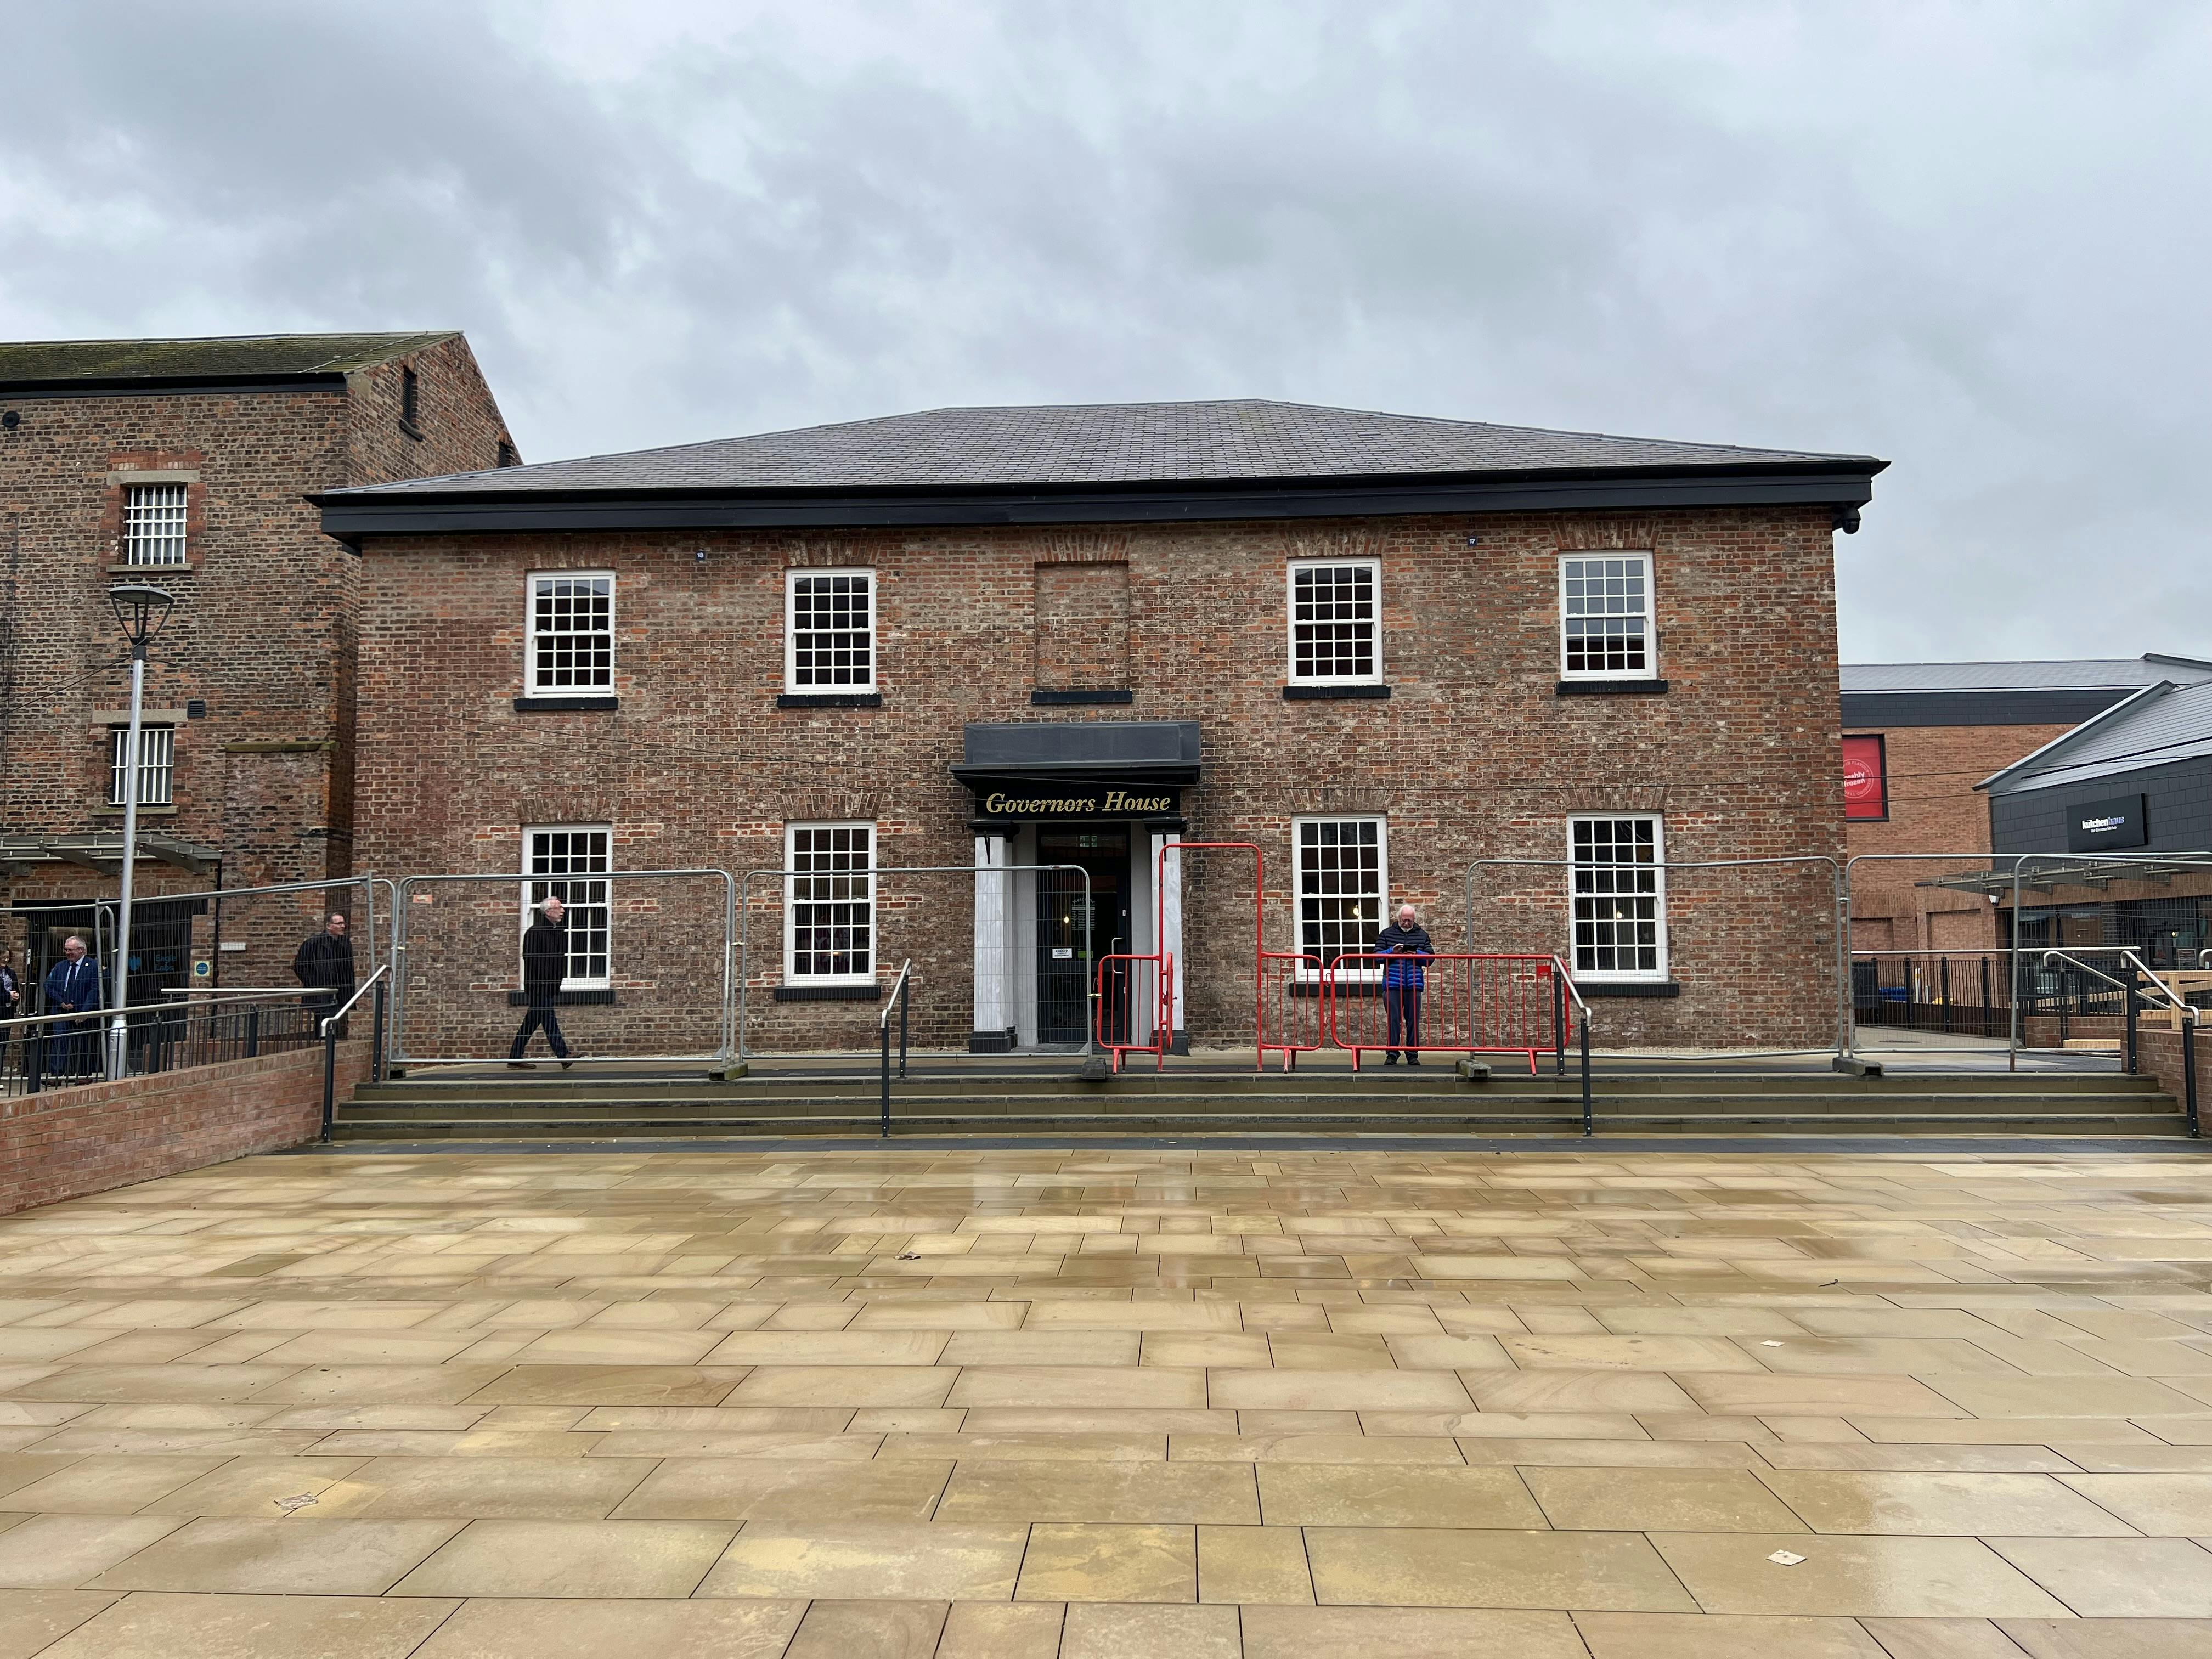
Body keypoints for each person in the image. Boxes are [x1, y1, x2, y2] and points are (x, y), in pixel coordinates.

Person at [510, 895, 574, 1069]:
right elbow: (531, 960)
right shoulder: (535, 932)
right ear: (548, 912)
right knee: (549, 1019)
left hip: (550, 985)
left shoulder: (555, 931)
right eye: (559, 907)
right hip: (539, 986)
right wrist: (545, 982)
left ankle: (515, 1057)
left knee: (532, 1021)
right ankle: (563, 1054)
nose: (563, 910)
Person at [1374, 903, 1432, 1066]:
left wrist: (1417, 954)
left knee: (1413, 1021)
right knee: (1394, 1020)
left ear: (1414, 920)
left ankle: (1412, 1054)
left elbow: (1430, 959)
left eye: (1410, 921)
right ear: (1398, 918)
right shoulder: (1387, 934)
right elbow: (1376, 957)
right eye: (1404, 920)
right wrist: (1392, 952)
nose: (1407, 923)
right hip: (1392, 985)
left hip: (1414, 985)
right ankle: (1392, 1054)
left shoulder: (1422, 935)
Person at [42, 935, 104, 1080]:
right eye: (66, 950)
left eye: (71, 950)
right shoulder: (60, 966)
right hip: (61, 1012)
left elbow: (95, 990)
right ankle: (56, 1076)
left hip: (81, 1012)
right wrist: (61, 1001)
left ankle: (83, 1075)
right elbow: (48, 985)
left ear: (82, 950)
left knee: (82, 1043)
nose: (68, 953)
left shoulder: (93, 966)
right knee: (59, 1042)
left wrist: (85, 1012)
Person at [292, 912, 358, 1038]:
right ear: (329, 926)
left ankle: (332, 1043)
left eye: (343, 923)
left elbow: (347, 968)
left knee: (335, 1020)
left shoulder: (345, 944)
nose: (343, 926)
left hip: (340, 989)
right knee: (324, 1020)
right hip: (322, 989)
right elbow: (300, 965)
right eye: (339, 923)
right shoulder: (313, 943)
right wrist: (314, 982)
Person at [0, 950, 21, 1077]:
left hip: (7, 1013)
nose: (6, 960)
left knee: (2, 1045)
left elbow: (16, 989)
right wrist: (8, 996)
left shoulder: (11, 973)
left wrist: (16, 997)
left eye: (8, 957)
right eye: (3, 957)